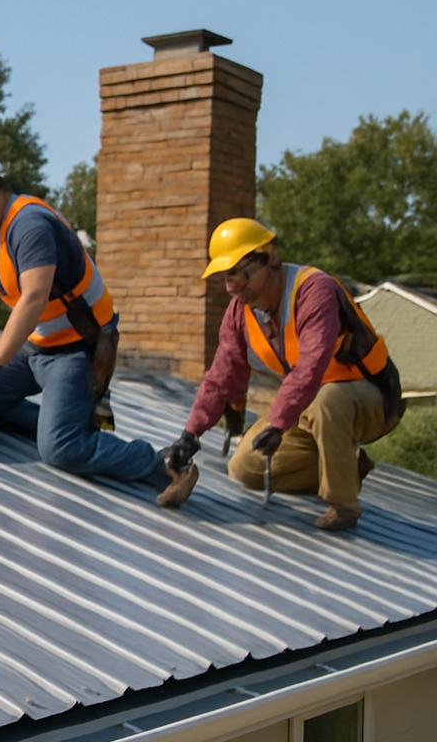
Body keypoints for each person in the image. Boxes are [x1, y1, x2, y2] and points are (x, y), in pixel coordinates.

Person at [0, 146, 194, 502]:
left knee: (60, 449)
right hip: (38, 347)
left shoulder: (29, 225)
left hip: (77, 350)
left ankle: (162, 463)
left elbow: (33, 299)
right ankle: (71, 421)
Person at [160, 218, 404, 530]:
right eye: (226, 276)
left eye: (239, 272)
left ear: (270, 258)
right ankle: (348, 466)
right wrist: (190, 435)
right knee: (246, 466)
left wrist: (278, 422)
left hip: (371, 399)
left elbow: (311, 364)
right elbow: (222, 375)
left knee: (329, 400)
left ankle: (343, 505)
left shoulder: (315, 291)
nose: (232, 285)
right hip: (308, 404)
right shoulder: (240, 313)